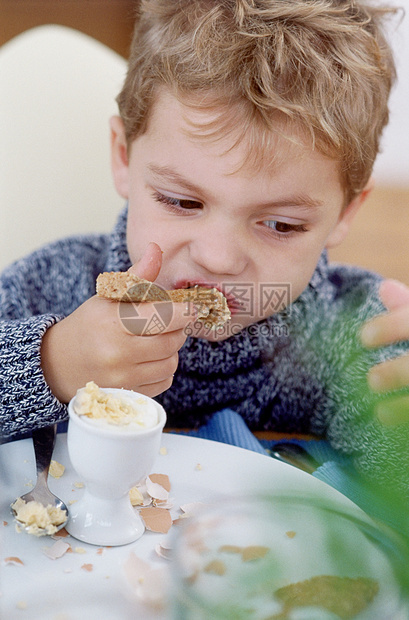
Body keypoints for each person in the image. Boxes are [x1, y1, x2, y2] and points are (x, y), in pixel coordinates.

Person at [1, 0, 409, 496]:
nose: (217, 257)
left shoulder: (357, 332)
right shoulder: (48, 289)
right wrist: (48, 364)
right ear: (124, 157)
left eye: (280, 224)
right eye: (182, 201)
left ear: (345, 212)